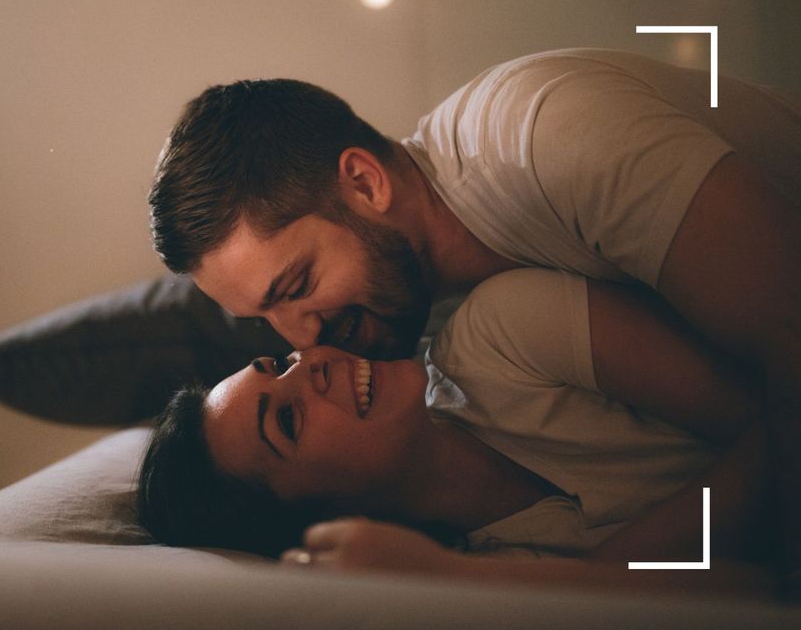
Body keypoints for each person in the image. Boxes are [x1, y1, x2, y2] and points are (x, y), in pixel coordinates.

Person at [146, 48, 801, 590]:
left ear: (367, 184)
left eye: (298, 285)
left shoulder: (551, 138)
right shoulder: (418, 328)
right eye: (267, 322)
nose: (305, 340)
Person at [137, 269, 775, 600]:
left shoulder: (503, 335)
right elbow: (750, 602)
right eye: (288, 420)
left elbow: (781, 412)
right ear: (329, 518)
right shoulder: (483, 581)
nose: (314, 362)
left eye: (281, 365)